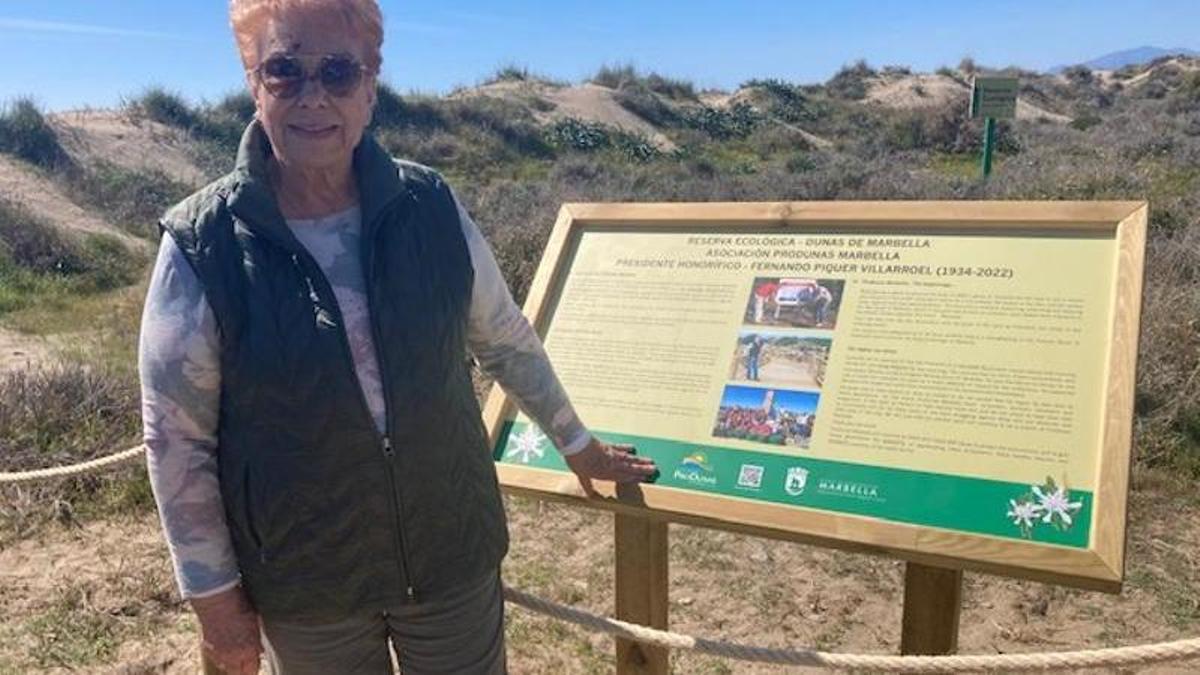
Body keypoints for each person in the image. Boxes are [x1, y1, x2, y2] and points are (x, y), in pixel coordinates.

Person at [137, 1, 657, 673]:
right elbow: (177, 444)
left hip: (449, 554)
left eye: (338, 71)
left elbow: (503, 337)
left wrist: (576, 443)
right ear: (251, 80)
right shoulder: (201, 244)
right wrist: (217, 604)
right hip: (307, 585)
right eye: (284, 70)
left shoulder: (430, 206)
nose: (313, 96)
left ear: (372, 82)